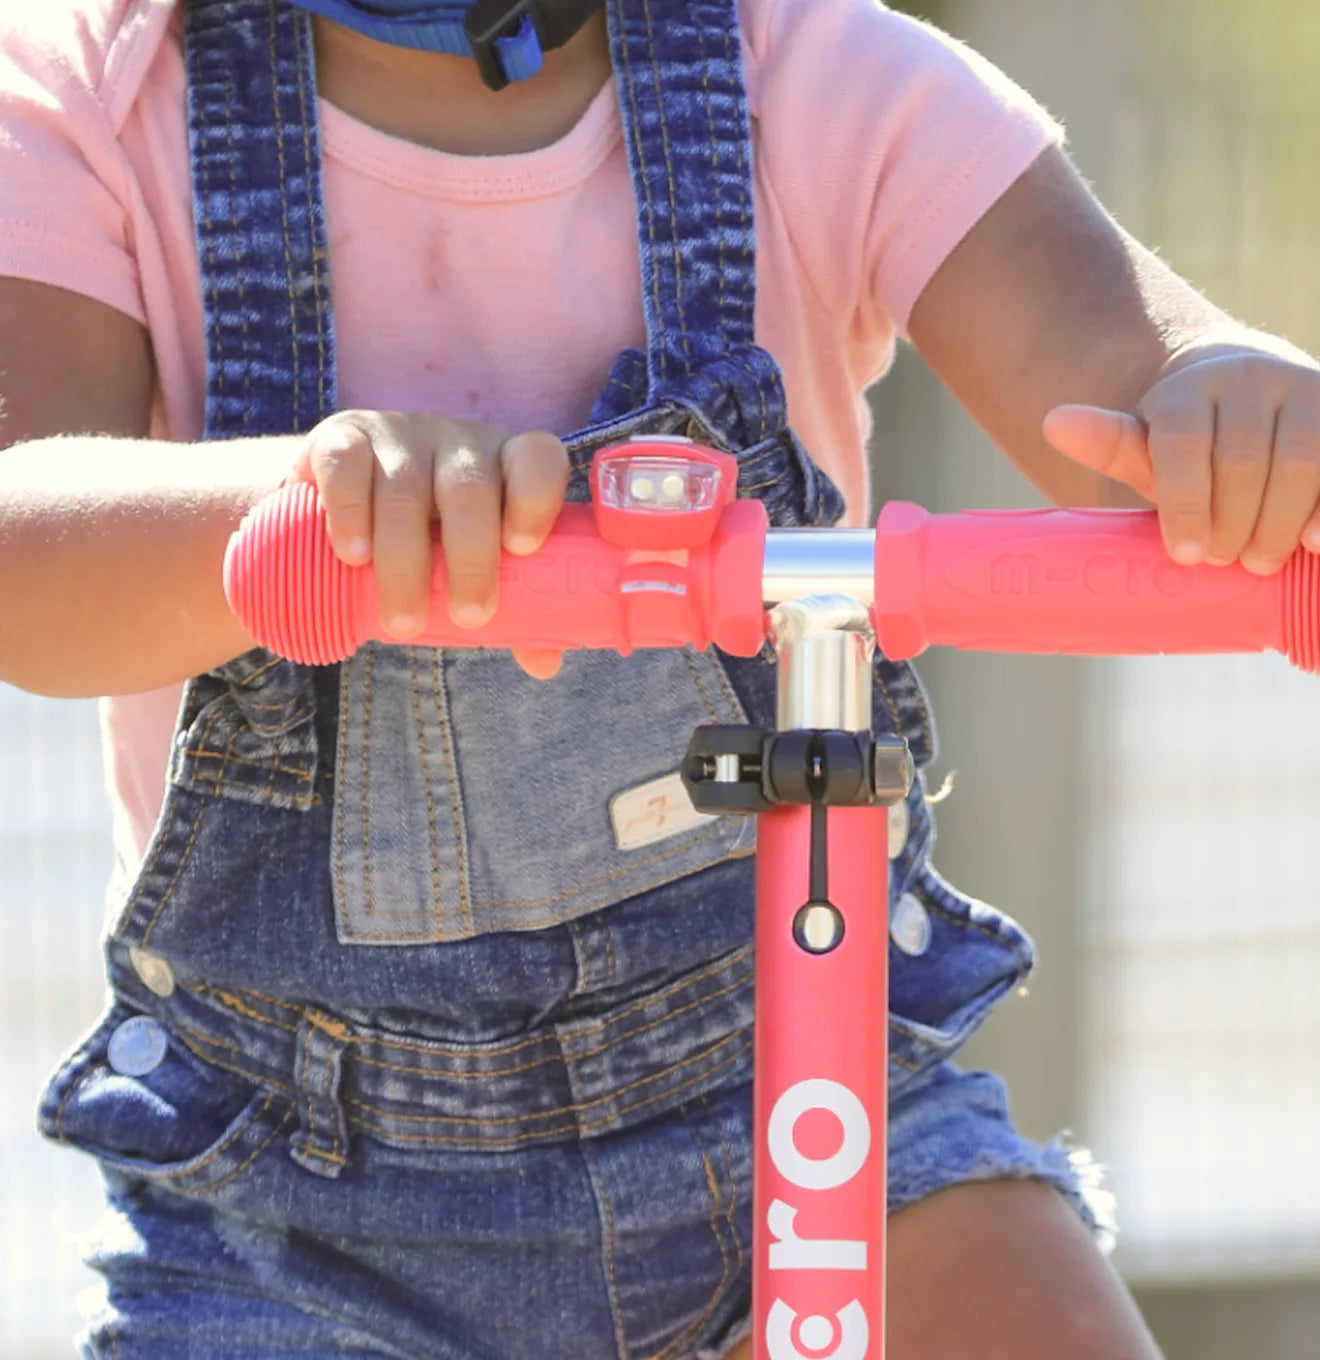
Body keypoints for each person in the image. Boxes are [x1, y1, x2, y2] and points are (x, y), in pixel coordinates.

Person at [0, 0, 1315, 1356]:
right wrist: (285, 504)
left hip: (812, 1101)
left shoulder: (808, 73)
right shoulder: (89, 103)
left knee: (1026, 1317)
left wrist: (1225, 408)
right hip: (298, 1214)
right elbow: (22, 544)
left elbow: (1119, 394)